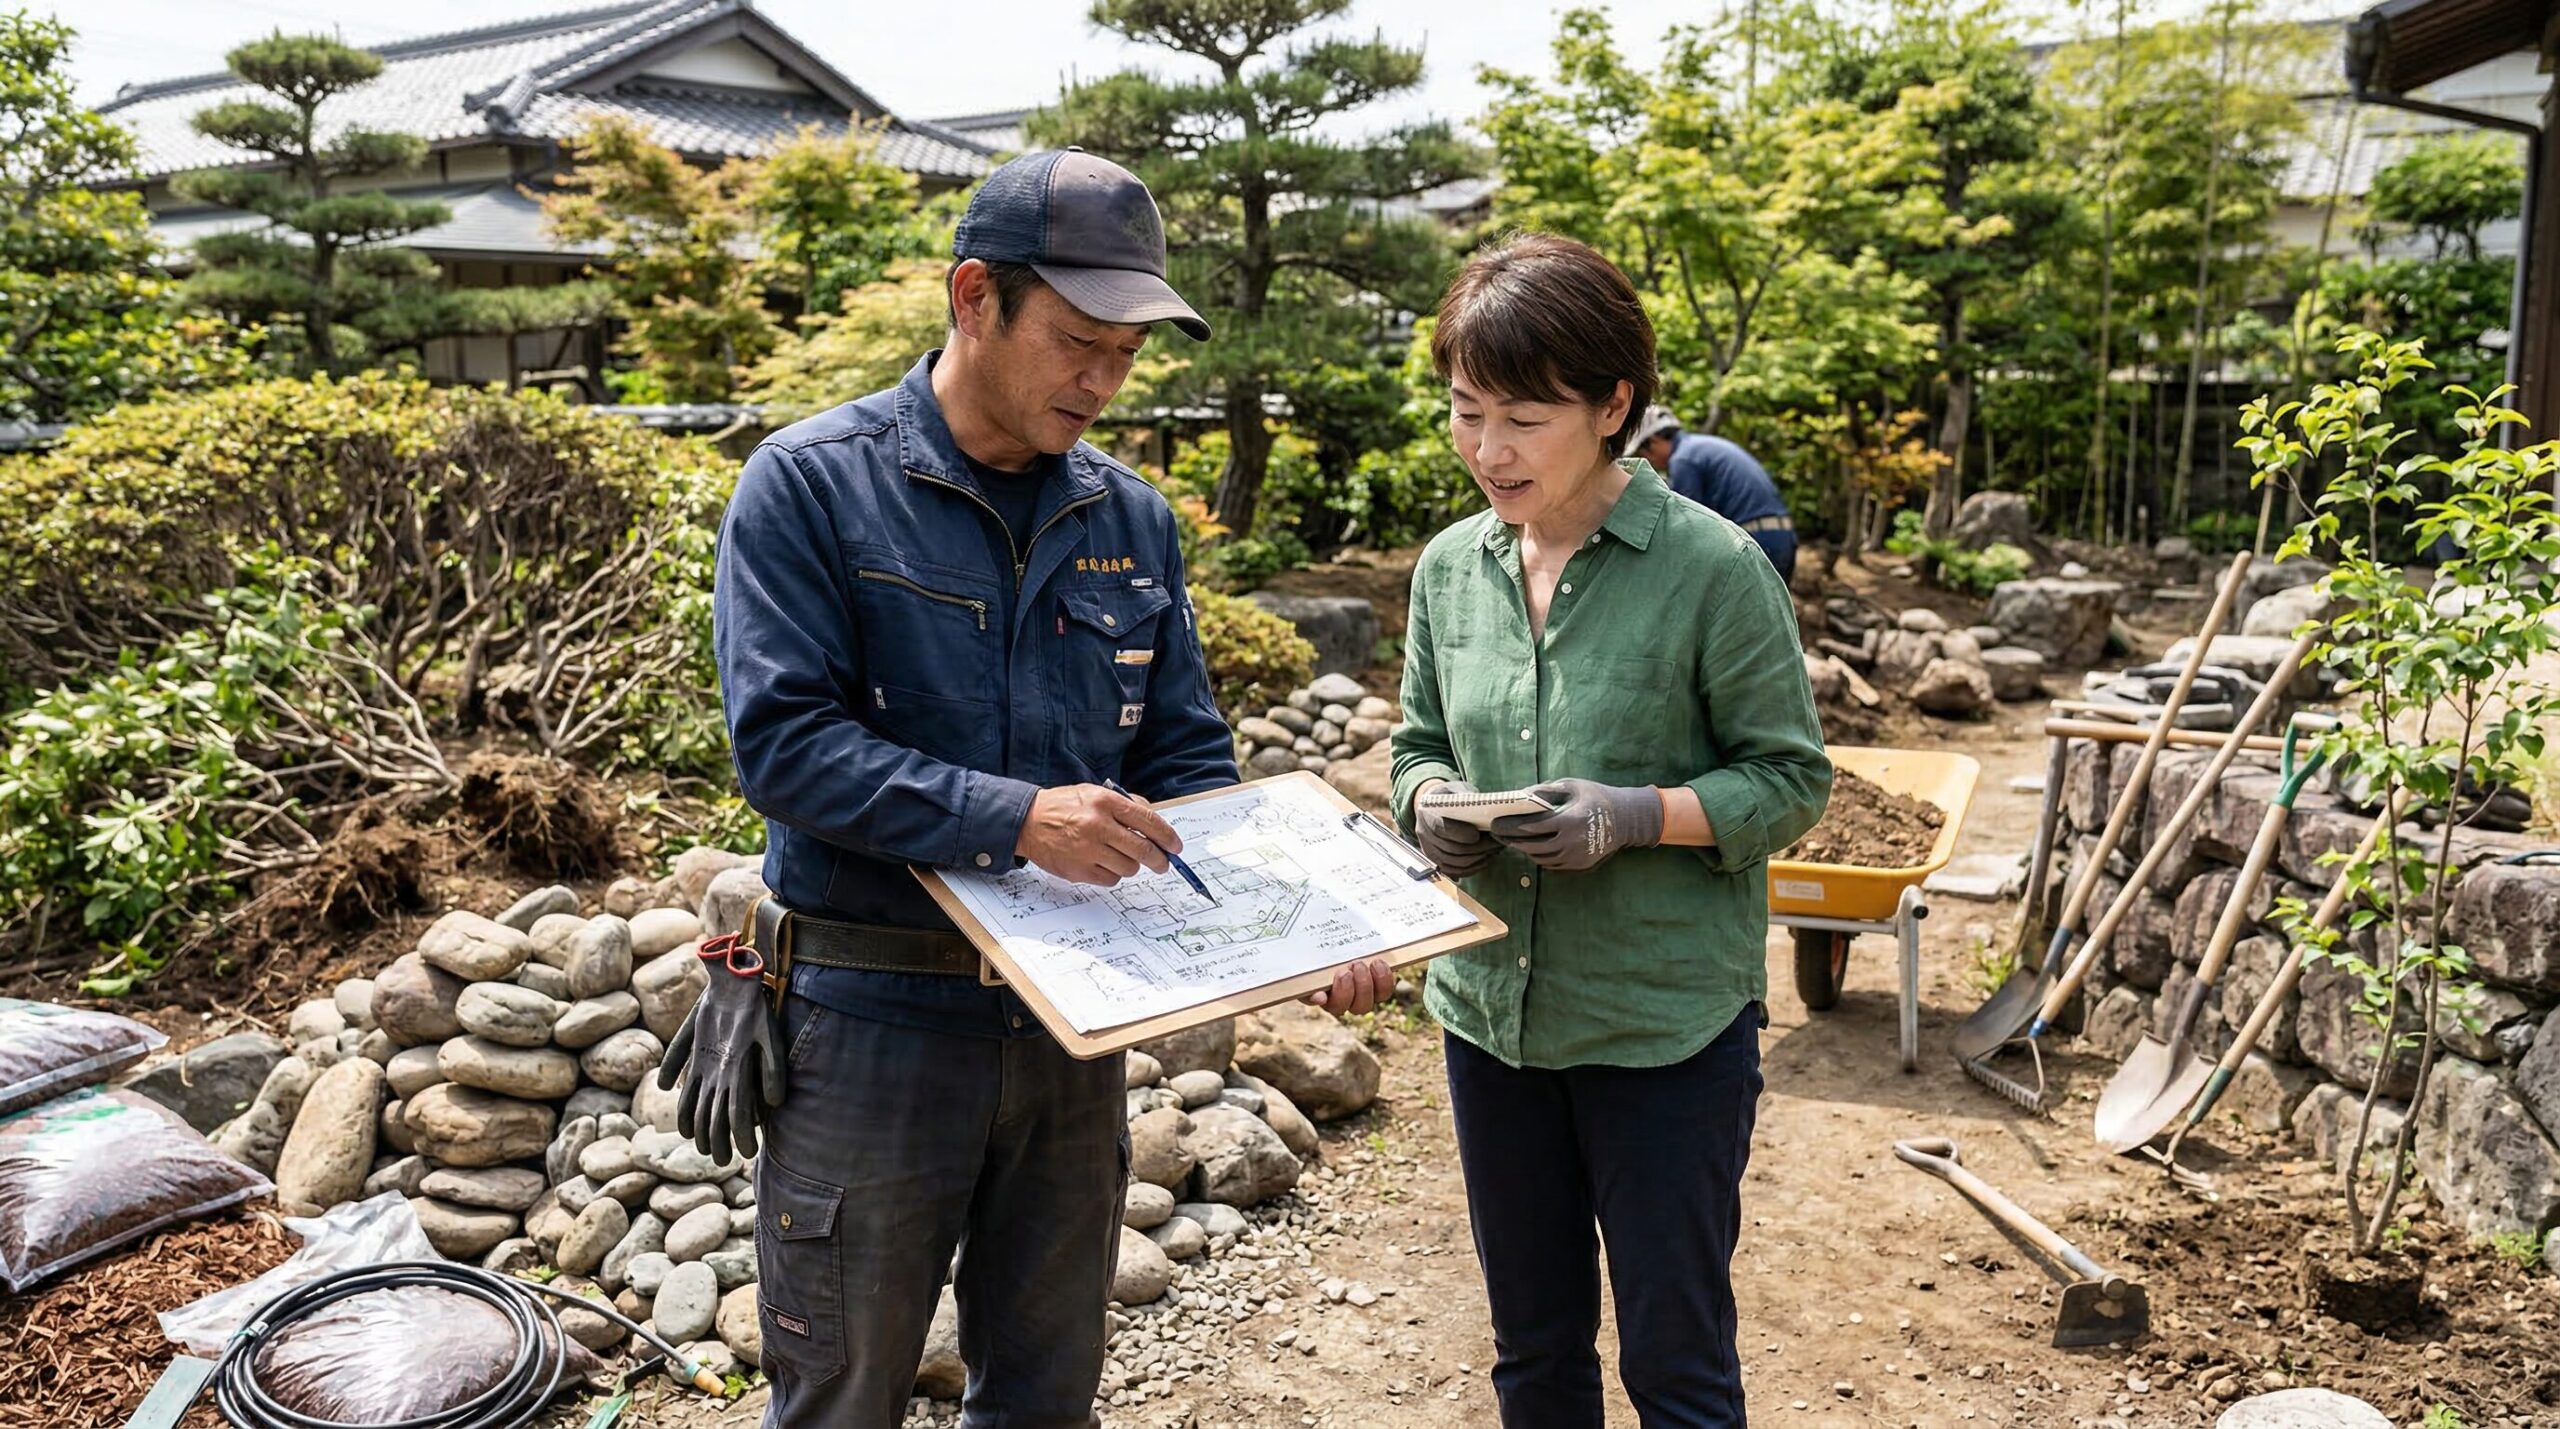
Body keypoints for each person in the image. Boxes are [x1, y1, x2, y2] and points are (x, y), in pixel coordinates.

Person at [685, 147, 1396, 1429]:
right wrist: (1015, 817)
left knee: (1047, 1393)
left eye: (1127, 354)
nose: (1104, 381)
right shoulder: (811, 485)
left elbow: (1183, 759)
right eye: (1077, 341)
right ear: (974, 297)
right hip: (871, 1022)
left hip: (1071, 1030)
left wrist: (1299, 924)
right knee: (842, 1391)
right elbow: (783, 747)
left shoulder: (1130, 517)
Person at [1389, 233, 1832, 1428]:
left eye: (1524, 417)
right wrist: (1429, 806)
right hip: (1492, 1023)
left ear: (1613, 405)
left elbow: (1791, 778)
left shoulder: (1713, 568)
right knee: (1532, 1352)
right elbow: (1417, 743)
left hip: (1663, 1032)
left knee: (1676, 1364)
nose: (1489, 450)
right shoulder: (1448, 571)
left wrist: (1638, 817)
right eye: (1466, 411)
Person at [1632, 406, 1798, 582]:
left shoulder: (1683, 459)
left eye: (1644, 454)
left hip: (1757, 540)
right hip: (1780, 535)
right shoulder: (1701, 446)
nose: (1650, 462)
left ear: (1653, 441)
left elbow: (1684, 524)